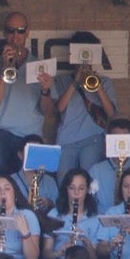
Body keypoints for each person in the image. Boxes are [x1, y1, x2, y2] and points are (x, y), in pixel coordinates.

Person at [0, 12, 53, 177]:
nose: (15, 36)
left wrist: (45, 90)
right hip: (1, 131)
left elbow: (49, 112)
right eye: (11, 30)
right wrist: (4, 67)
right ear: (4, 33)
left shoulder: (40, 66)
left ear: (27, 32)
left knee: (41, 174)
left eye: (20, 30)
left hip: (31, 133)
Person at [51, 31, 118, 172]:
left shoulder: (105, 82)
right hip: (66, 140)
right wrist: (76, 80)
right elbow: (59, 108)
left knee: (91, 182)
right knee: (65, 182)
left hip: (93, 139)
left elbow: (111, 113)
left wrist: (97, 85)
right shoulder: (62, 80)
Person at [39, 168, 102, 259]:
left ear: (88, 191)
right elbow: (46, 254)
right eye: (72, 188)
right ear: (66, 189)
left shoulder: (95, 218)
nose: (76, 193)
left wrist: (87, 244)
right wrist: (59, 252)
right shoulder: (54, 214)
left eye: (81, 188)